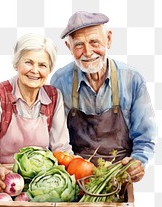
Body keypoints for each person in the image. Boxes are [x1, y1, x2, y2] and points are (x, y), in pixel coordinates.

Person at [0, 33, 73, 207]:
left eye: (42, 65)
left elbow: (61, 148)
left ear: (49, 70)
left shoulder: (54, 97)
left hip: (37, 185)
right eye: (29, 62)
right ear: (16, 63)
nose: (35, 70)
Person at [51, 11, 157, 182]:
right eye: (79, 45)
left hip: (119, 174)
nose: (88, 52)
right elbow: (56, 141)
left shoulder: (132, 79)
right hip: (76, 175)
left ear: (108, 39)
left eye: (94, 42)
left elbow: (146, 138)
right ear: (69, 48)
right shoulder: (60, 81)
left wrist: (138, 163)